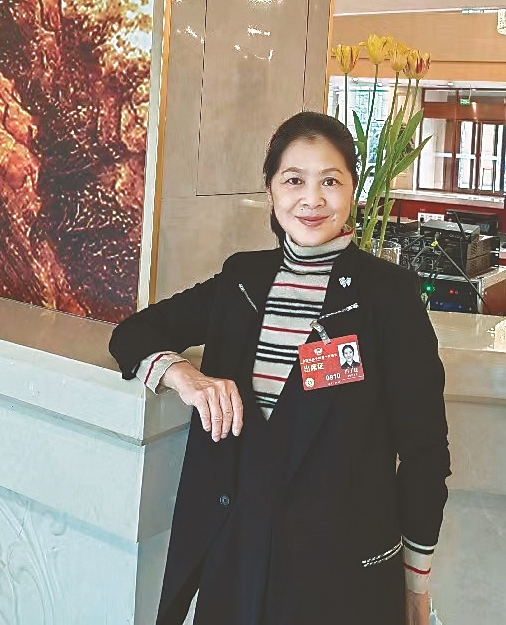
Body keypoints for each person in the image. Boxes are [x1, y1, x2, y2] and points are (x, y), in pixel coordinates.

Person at [109, 112, 450, 625]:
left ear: (353, 190)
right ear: (270, 189)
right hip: (235, 560)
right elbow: (133, 334)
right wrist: (185, 376)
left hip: (341, 576)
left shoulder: (389, 295)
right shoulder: (242, 279)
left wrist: (416, 579)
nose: (312, 199)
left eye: (330, 181)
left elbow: (425, 452)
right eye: (294, 180)